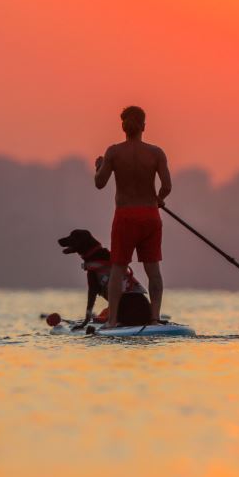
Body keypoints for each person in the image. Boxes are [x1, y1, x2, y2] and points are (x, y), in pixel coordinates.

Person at [94, 105, 172, 327]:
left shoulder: (114, 152)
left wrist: (99, 167)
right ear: (144, 126)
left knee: (118, 268)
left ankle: (113, 321)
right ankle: (155, 318)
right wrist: (158, 198)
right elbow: (167, 186)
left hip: (125, 217)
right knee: (153, 270)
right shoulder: (156, 153)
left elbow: (100, 183)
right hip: (150, 216)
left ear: (123, 127)